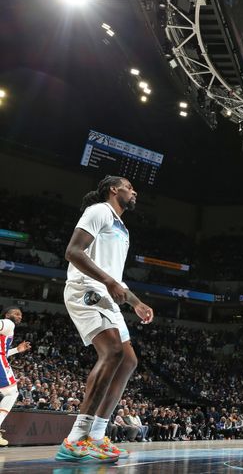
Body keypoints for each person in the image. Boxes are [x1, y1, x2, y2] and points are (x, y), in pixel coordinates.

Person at [56, 176, 154, 463]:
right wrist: (109, 282)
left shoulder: (122, 228)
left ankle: (97, 436)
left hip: (108, 294)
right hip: (86, 288)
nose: (134, 192)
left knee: (128, 361)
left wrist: (136, 303)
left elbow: (116, 277)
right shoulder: (99, 211)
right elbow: (72, 252)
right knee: (111, 351)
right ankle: (75, 439)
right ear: (114, 190)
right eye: (129, 187)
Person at [0, 308, 31, 446]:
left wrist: (17, 350)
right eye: (16, 314)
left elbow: (4, 352)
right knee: (12, 392)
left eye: (21, 315)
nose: (19, 317)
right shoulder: (8, 323)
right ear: (7, 315)